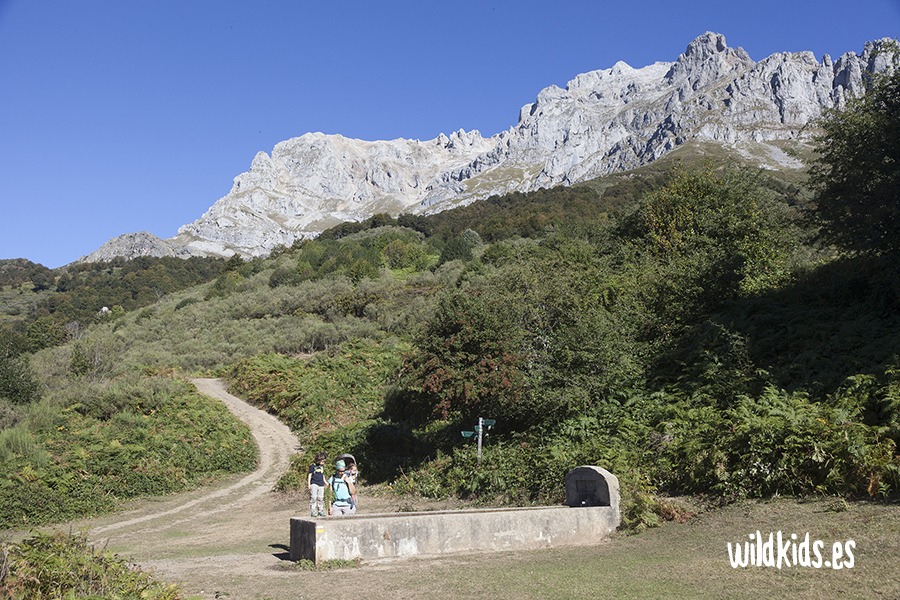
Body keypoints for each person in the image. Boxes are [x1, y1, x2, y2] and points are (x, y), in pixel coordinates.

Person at [306, 452, 327, 517]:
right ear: (318, 460)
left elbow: (322, 474)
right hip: (314, 483)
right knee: (314, 497)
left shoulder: (322, 467)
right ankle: (313, 510)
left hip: (321, 484)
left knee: (321, 498)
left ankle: (320, 510)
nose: (323, 463)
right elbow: (310, 475)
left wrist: (325, 482)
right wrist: (309, 484)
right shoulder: (313, 466)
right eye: (322, 461)